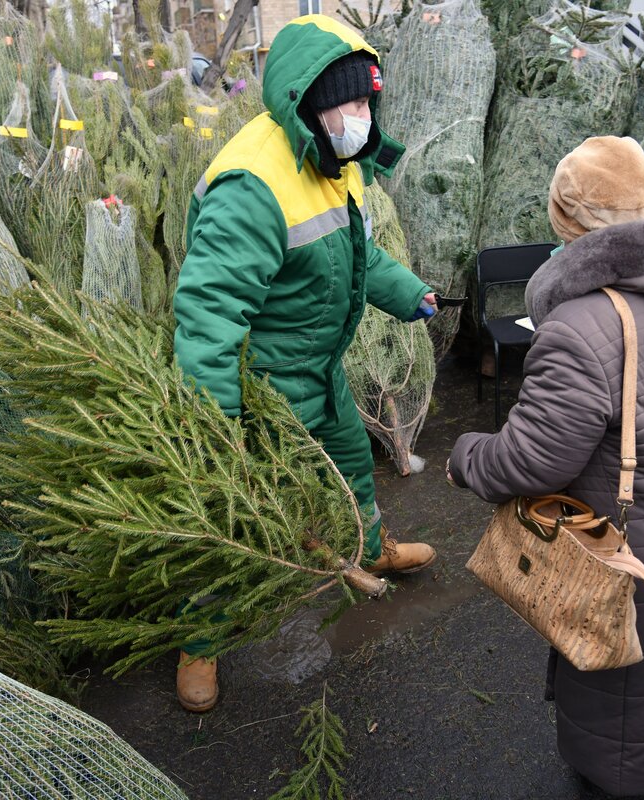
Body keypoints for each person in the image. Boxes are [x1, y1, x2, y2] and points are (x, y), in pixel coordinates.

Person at [447, 136, 644, 798]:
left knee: (621, 749)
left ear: (569, 219)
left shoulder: (584, 323)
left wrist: (467, 455)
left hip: (639, 573)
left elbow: (530, 459)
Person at [171, 15, 438, 713]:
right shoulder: (251, 186)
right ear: (307, 101)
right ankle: (201, 637)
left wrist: (408, 294)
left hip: (316, 369)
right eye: (349, 104)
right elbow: (208, 314)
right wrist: (216, 420)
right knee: (236, 512)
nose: (361, 117)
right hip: (260, 389)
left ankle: (370, 548)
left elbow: (354, 256)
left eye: (366, 104)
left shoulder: (332, 161)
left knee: (352, 461)